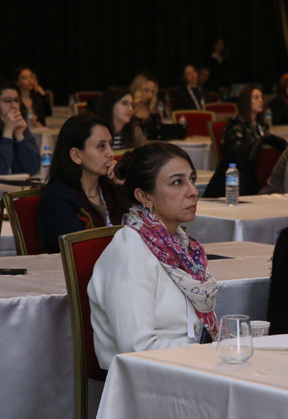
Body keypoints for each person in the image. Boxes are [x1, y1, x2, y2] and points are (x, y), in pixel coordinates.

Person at [88, 142, 218, 369]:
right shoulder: (130, 252)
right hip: (151, 378)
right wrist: (206, 351)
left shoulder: (180, 247)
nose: (193, 191)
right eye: (177, 182)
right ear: (144, 196)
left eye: (192, 179)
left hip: (191, 365)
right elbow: (136, 348)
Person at [39, 114, 131, 253]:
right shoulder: (57, 196)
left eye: (110, 145)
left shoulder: (111, 187)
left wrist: (124, 188)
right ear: (76, 155)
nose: (110, 153)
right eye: (101, 146)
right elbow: (78, 251)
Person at [221, 86, 268, 154]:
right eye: (256, 97)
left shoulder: (262, 125)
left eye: (262, 97)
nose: (261, 101)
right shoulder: (236, 125)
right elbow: (236, 152)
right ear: (246, 101)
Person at [130, 71, 161, 138]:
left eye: (152, 92)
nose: (150, 95)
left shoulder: (154, 112)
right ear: (137, 89)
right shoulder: (128, 109)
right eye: (146, 90)